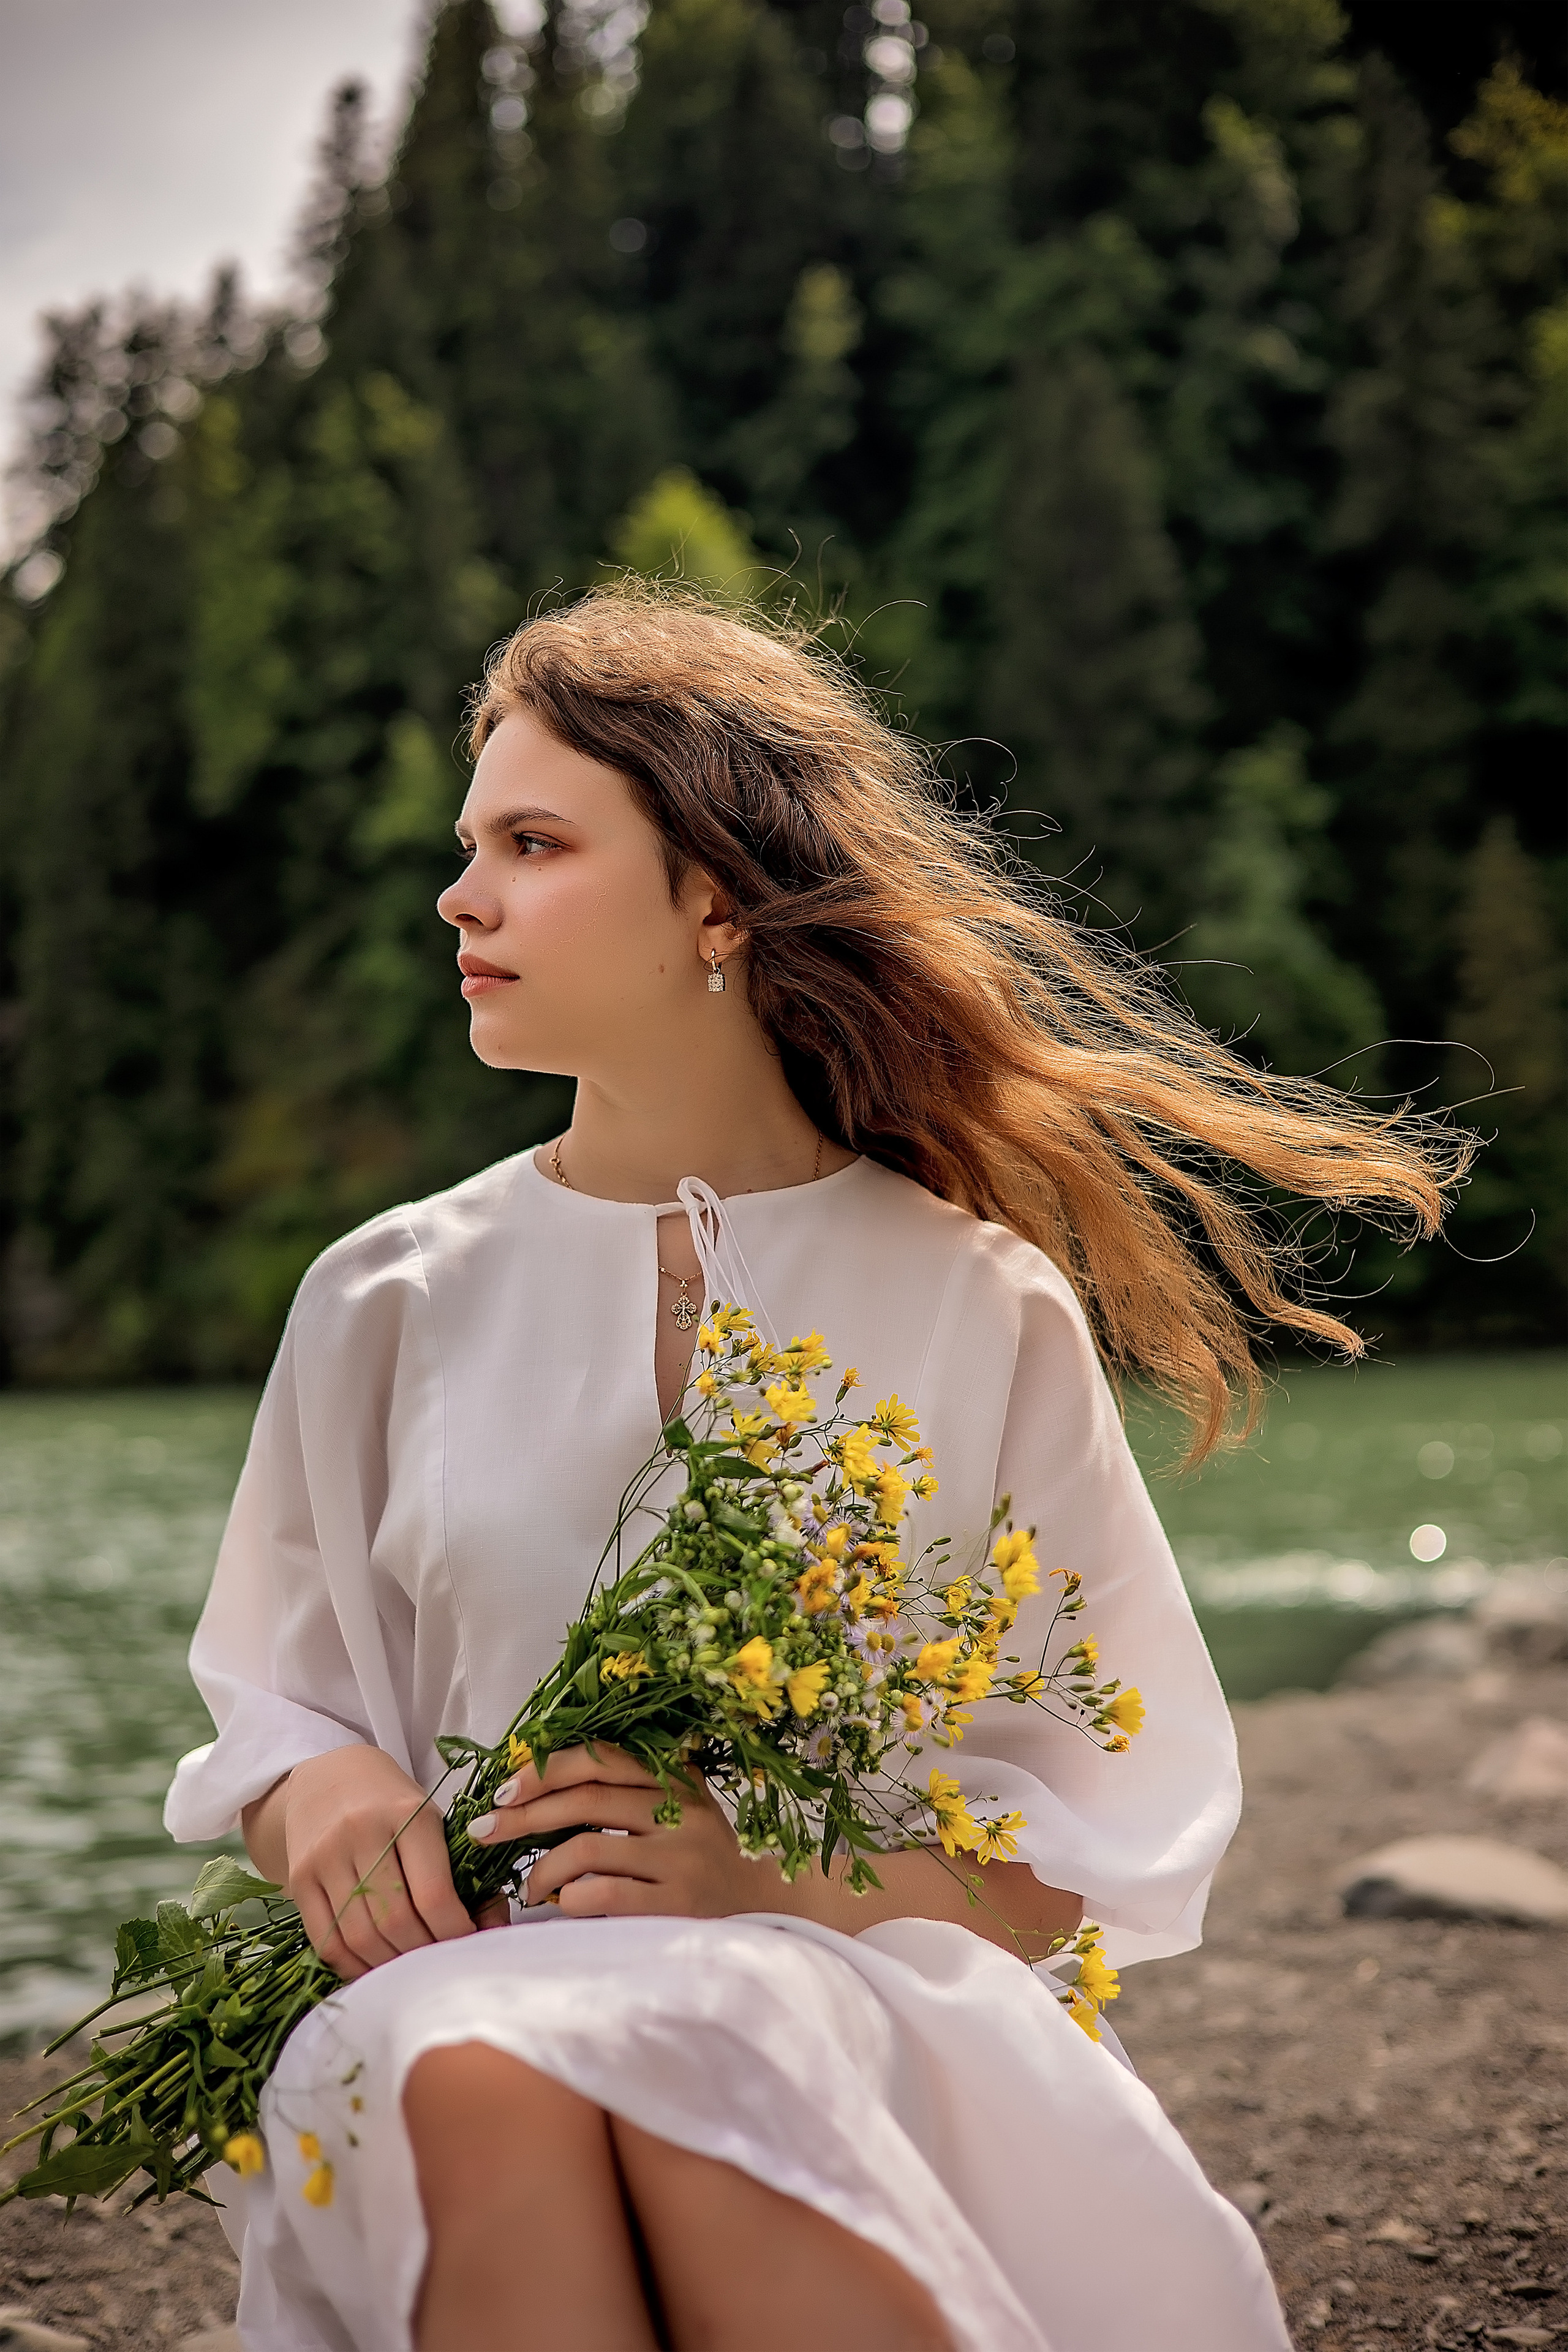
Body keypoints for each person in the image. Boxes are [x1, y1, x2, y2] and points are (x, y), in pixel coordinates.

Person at [165, 583, 1467, 2352]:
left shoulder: (977, 1299)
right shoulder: (380, 1296)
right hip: (470, 1984)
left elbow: (1089, 1832)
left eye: (533, 843)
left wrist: (764, 1882)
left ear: (716, 895)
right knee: (462, 2070)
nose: (460, 897)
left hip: (860, 1991)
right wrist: (316, 1799)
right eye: (471, 844)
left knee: (675, 2053)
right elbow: (276, 1704)